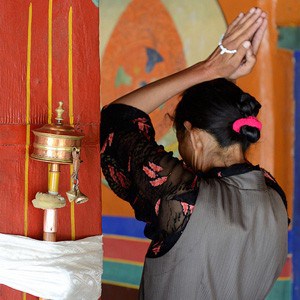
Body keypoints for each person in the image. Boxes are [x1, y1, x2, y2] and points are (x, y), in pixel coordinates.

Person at [100, 7, 289, 300]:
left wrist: (209, 69)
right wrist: (223, 84)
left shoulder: (184, 196)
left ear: (196, 137)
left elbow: (118, 119)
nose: (181, 154)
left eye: (181, 138)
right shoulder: (273, 193)